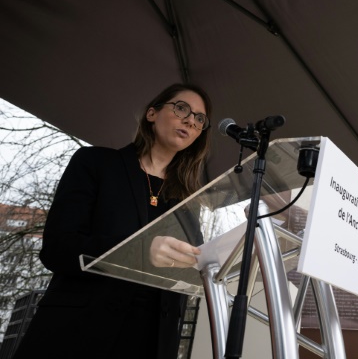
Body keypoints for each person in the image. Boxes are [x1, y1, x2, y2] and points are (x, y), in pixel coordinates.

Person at [14, 83, 212, 359]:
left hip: (150, 342)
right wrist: (140, 250)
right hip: (77, 333)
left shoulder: (187, 201)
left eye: (200, 119)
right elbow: (58, 248)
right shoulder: (96, 163)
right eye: (181, 108)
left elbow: (185, 271)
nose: (191, 120)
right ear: (151, 114)